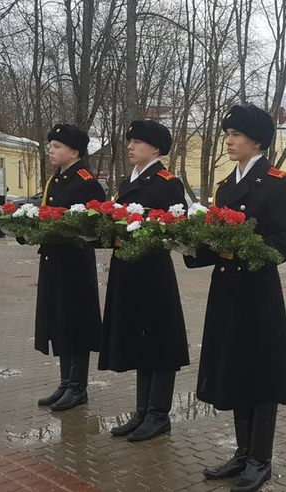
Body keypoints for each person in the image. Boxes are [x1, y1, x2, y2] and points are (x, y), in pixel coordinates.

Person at [184, 105, 286, 492]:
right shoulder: (224, 185)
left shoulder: (279, 182)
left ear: (257, 141)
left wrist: (246, 251)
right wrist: (190, 244)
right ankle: (242, 453)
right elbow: (216, 238)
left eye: (235, 135)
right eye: (228, 134)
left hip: (258, 292)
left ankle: (260, 459)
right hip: (227, 291)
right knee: (234, 368)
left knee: (261, 373)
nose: (229, 141)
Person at [99, 120, 189, 442]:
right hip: (127, 268)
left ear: (155, 148)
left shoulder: (167, 183)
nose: (130, 146)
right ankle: (141, 412)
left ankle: (158, 415)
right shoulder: (127, 182)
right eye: (130, 141)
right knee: (138, 339)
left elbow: (178, 226)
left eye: (137, 141)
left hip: (152, 271)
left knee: (159, 343)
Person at [34, 124, 106, 411]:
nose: (51, 150)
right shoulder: (57, 180)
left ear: (74, 151)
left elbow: (97, 226)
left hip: (75, 263)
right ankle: (65, 383)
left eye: (57, 146)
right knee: (60, 321)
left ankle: (78, 387)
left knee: (76, 322)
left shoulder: (86, 182)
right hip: (54, 260)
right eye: (51, 145)